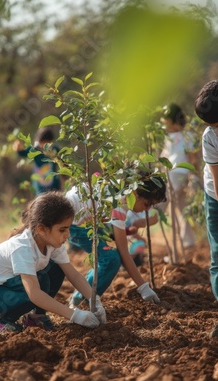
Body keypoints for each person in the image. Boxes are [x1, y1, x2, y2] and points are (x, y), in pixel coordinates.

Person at [0, 191, 106, 333]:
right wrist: (75, 315)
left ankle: (36, 316)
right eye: (62, 229)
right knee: (38, 287)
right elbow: (34, 294)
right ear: (42, 229)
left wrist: (94, 300)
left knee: (56, 270)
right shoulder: (22, 248)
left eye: (68, 228)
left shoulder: (52, 243)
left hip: (11, 285)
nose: (67, 235)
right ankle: (2, 321)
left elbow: (73, 274)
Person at [65, 173, 167, 307]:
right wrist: (143, 287)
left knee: (109, 257)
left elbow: (114, 228)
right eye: (147, 204)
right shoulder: (120, 202)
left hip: (85, 219)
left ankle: (82, 295)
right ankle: (82, 301)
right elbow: (123, 250)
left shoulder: (120, 187)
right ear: (136, 192)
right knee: (111, 260)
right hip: (73, 223)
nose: (147, 209)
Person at [195, 80, 218, 338]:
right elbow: (217, 178)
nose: (215, 130)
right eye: (211, 126)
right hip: (216, 195)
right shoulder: (210, 137)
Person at [160, 102, 198, 249]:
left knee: (162, 205)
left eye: (165, 120)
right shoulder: (185, 135)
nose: (164, 124)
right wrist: (193, 176)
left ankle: (144, 227)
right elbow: (193, 160)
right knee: (182, 208)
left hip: (174, 175)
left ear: (170, 120)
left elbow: (193, 159)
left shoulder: (177, 137)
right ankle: (187, 241)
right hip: (182, 175)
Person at [13, 127, 62, 195]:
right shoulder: (34, 150)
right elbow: (23, 153)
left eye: (47, 143)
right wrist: (18, 148)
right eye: (42, 142)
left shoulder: (55, 150)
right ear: (39, 141)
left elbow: (63, 162)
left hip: (54, 186)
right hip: (40, 187)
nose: (44, 145)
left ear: (51, 142)